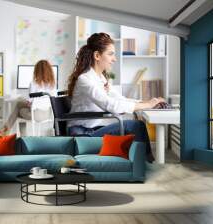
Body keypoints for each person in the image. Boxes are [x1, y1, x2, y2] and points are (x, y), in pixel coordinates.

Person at [67, 32, 164, 162]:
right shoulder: (85, 79)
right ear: (97, 55)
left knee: (136, 125)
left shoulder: (100, 78)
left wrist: (148, 102)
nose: (114, 59)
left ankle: (143, 162)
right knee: (137, 126)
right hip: (83, 135)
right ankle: (147, 163)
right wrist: (146, 105)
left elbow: (120, 99)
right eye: (111, 54)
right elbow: (111, 105)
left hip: (93, 129)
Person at [0, 60, 57, 135]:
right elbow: (54, 100)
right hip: (48, 115)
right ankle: (7, 129)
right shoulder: (53, 85)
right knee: (19, 103)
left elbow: (30, 103)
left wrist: (29, 102)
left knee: (19, 111)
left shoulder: (34, 83)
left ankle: (12, 131)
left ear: (36, 70)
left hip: (35, 115)